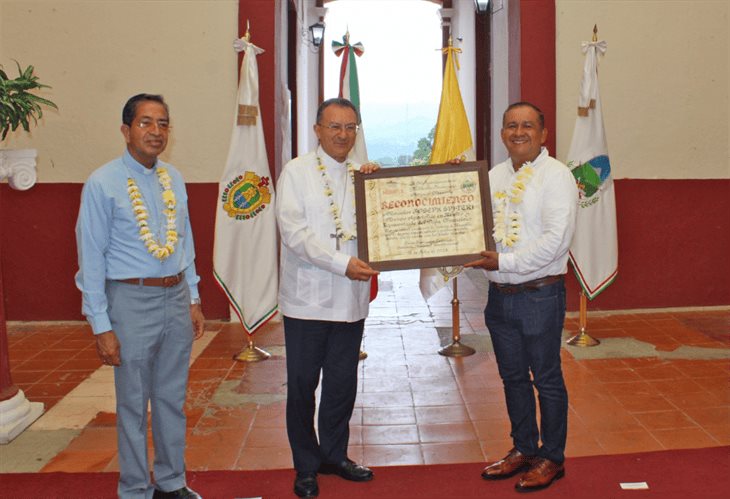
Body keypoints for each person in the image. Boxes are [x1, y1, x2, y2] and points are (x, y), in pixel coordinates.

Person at [75, 94, 205, 499]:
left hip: (175, 296)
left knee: (171, 398)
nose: (156, 132)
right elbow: (91, 257)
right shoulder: (102, 183)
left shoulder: (175, 178)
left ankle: (171, 481)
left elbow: (184, 242)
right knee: (133, 403)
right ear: (126, 130)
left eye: (163, 123)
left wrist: (194, 297)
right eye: (146, 123)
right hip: (130, 301)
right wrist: (101, 325)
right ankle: (133, 489)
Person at [465, 102, 578, 492]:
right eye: (511, 125)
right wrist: (452, 189)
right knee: (512, 377)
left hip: (540, 295)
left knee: (546, 378)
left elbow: (554, 241)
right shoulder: (493, 176)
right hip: (499, 295)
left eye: (527, 125)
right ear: (501, 134)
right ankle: (524, 448)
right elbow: (473, 223)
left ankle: (552, 457)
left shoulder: (557, 176)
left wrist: (505, 260)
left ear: (543, 134)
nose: (518, 132)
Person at [275, 98, 380, 498]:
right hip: (307, 301)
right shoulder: (296, 172)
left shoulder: (363, 176)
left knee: (342, 383)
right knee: (302, 385)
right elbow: (295, 234)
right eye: (334, 126)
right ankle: (306, 465)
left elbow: (383, 226)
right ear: (317, 130)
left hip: (351, 300)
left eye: (350, 127)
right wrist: (341, 264)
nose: (342, 135)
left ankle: (335, 455)